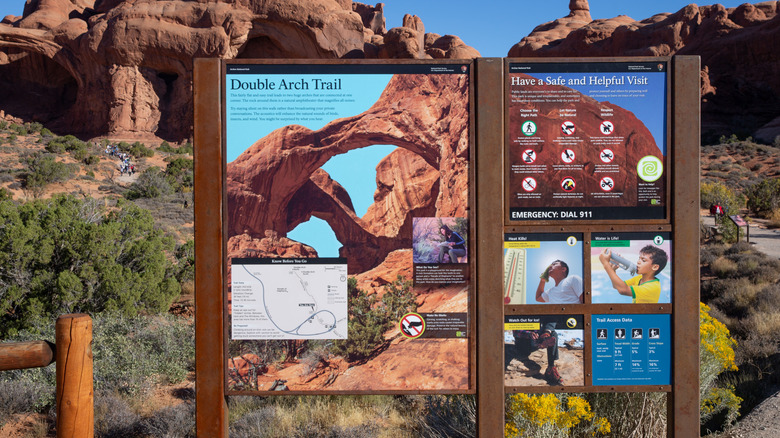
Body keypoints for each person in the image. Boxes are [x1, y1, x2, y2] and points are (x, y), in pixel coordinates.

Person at [598, 245, 668, 303]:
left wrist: (605, 264)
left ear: (655, 267)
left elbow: (623, 290)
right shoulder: (639, 278)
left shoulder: (652, 287)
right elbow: (616, 286)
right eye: (639, 259)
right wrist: (613, 270)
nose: (638, 262)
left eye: (643, 260)